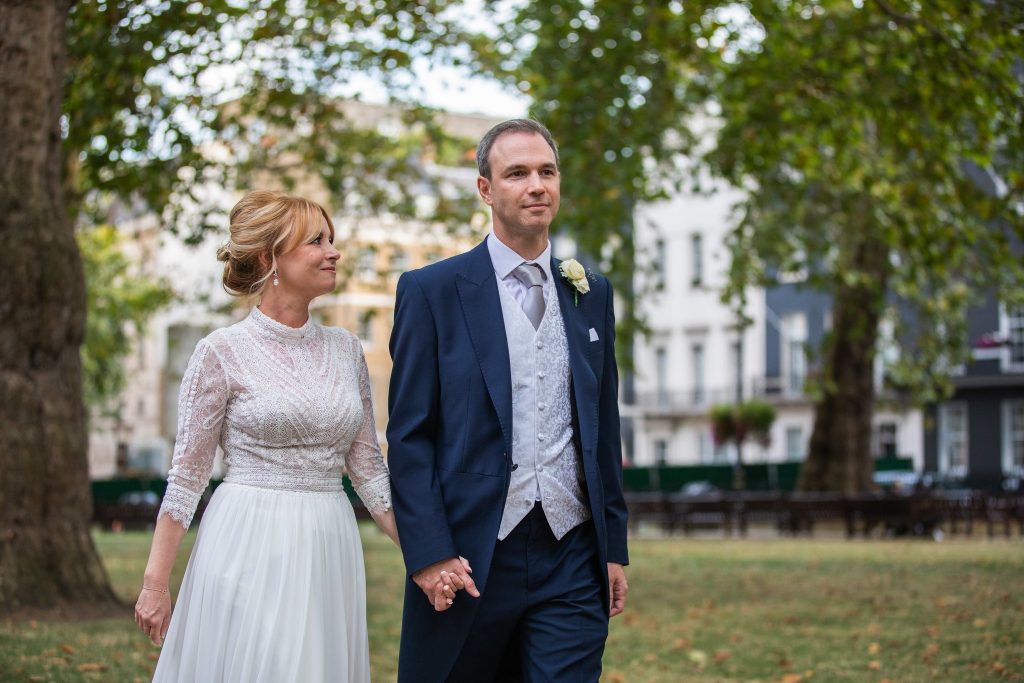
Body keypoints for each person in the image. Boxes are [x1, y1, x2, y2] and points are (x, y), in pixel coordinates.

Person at [387, 119, 630, 682]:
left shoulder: (591, 293)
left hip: (572, 552)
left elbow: (602, 428)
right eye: (517, 173)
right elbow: (410, 437)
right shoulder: (432, 292)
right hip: (471, 556)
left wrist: (612, 547)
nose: (536, 185)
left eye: (547, 171)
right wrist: (428, 554)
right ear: (485, 189)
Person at [134, 190, 399, 682]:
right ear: (268, 258)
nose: (333, 251)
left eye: (332, 239)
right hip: (248, 540)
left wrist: (424, 553)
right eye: (316, 241)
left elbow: (367, 470)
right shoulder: (221, 352)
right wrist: (155, 583)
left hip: (330, 541)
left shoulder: (346, 349)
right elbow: (186, 479)